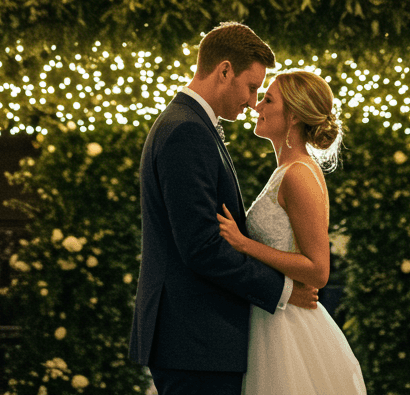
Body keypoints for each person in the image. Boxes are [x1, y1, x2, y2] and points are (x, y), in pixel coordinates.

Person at [129, 22, 320, 395]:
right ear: (225, 71)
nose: (252, 101)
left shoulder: (192, 124)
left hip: (197, 340)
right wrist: (283, 290)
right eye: (251, 87)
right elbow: (202, 247)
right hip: (196, 339)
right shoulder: (186, 130)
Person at [216, 69, 367, 395]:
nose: (257, 106)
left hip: (288, 328)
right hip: (270, 314)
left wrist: (244, 244)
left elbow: (318, 270)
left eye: (268, 100)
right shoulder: (285, 171)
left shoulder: (298, 175)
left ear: (294, 116)